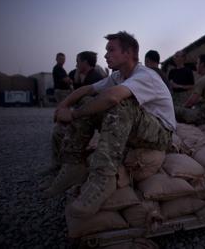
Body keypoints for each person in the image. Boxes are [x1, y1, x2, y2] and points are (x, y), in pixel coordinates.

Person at [44, 31, 175, 218]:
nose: (105, 55)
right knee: (89, 101)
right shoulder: (117, 76)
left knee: (119, 102)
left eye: (111, 50)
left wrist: (73, 115)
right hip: (139, 127)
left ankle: (104, 178)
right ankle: (74, 164)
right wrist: (63, 105)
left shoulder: (145, 75)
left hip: (161, 132)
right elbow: (88, 89)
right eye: (106, 50)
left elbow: (113, 97)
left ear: (128, 53)